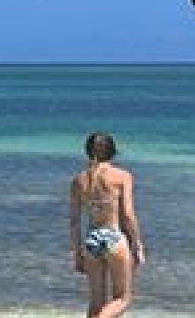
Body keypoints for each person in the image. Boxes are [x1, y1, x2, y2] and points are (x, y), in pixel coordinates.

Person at [68, 132, 144, 318]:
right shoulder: (122, 176)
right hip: (114, 237)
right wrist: (137, 244)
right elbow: (127, 214)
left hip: (92, 239)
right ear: (112, 151)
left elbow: (74, 221)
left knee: (96, 302)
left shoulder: (79, 180)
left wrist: (77, 253)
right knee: (122, 299)